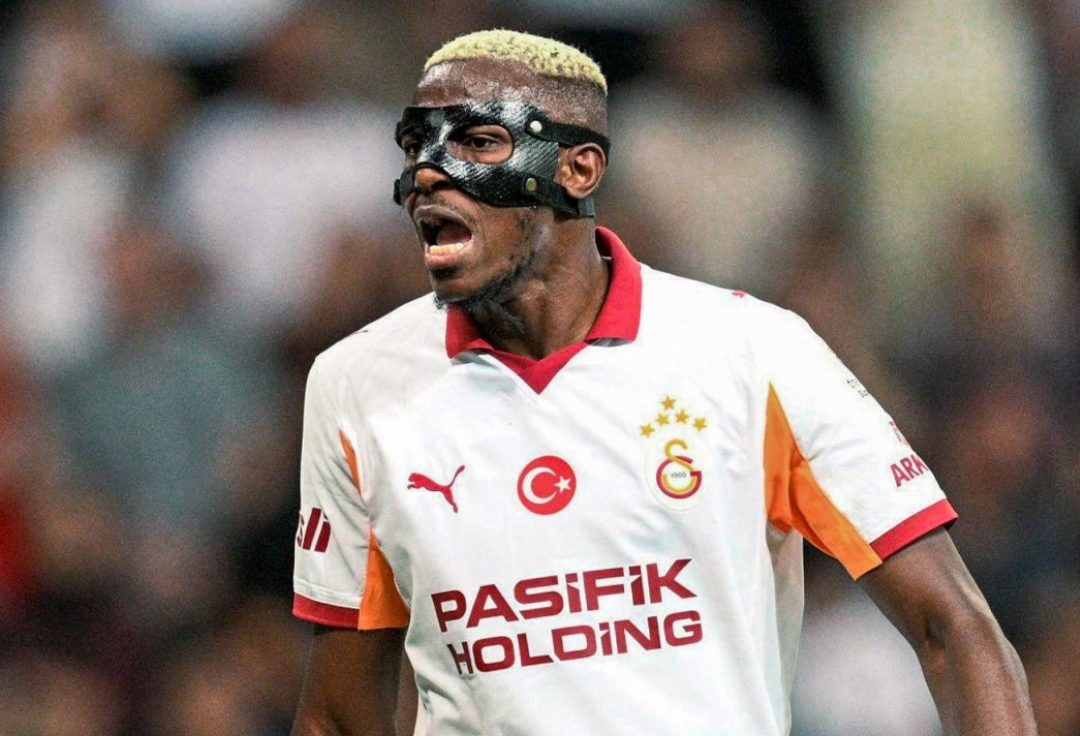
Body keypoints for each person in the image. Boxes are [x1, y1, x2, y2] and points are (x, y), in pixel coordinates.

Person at [290, 30, 1036, 736]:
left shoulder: (754, 352)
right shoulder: (357, 382)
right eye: (416, 145)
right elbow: (338, 718)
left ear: (578, 170)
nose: (428, 172)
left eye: (477, 143)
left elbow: (954, 627)